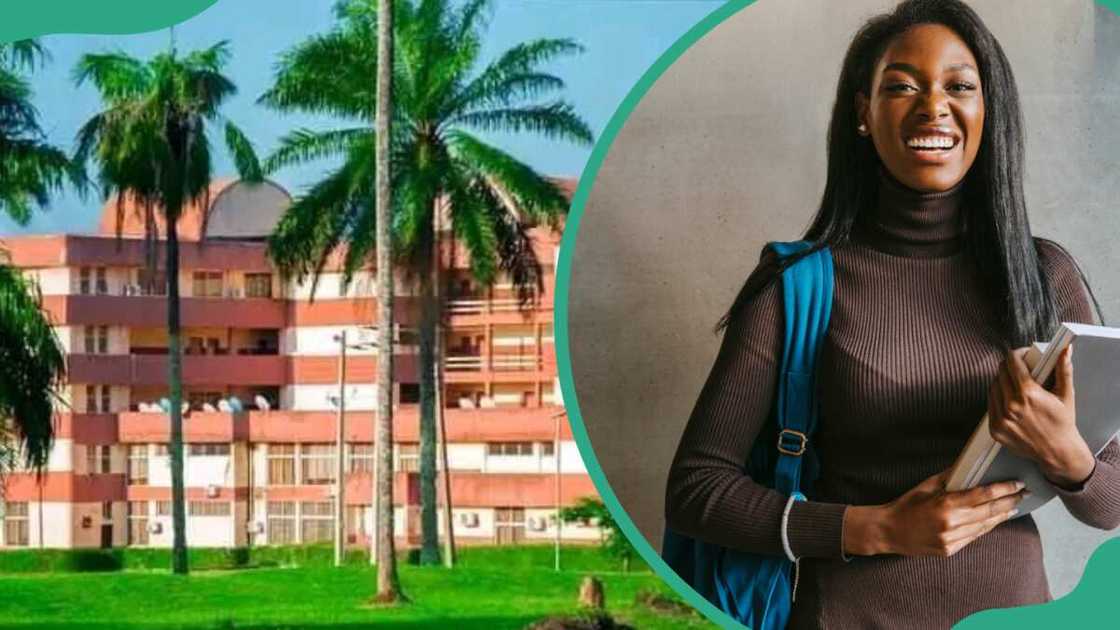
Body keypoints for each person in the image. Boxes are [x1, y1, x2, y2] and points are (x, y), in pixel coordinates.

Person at [663, 0, 1120, 627]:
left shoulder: (1044, 276)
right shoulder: (796, 285)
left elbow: (1112, 503)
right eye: (902, 86)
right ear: (862, 112)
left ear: (989, 111)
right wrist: (874, 529)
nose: (933, 106)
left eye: (959, 86)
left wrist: (1069, 456)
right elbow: (696, 491)